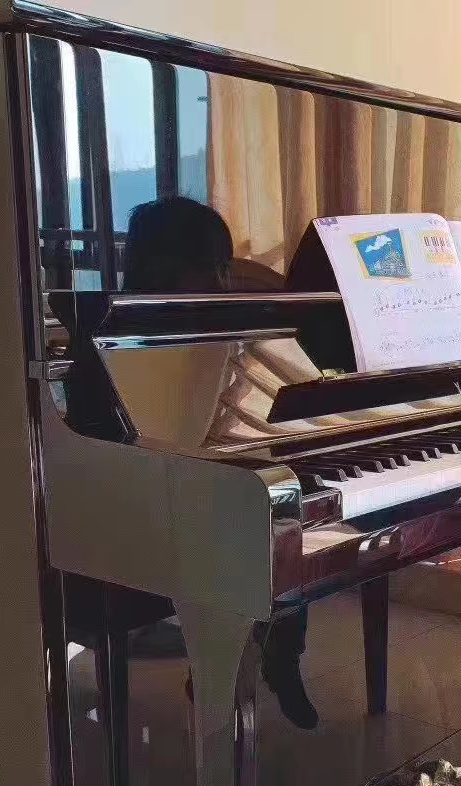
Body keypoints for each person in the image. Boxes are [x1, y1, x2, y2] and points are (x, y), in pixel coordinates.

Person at [123, 196, 318, 729]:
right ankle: (228, 661)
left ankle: (278, 651)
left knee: (287, 515)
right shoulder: (131, 334)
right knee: (253, 527)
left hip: (220, 467)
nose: (222, 281)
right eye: (209, 268)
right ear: (161, 270)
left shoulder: (221, 318)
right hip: (159, 488)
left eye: (223, 269)